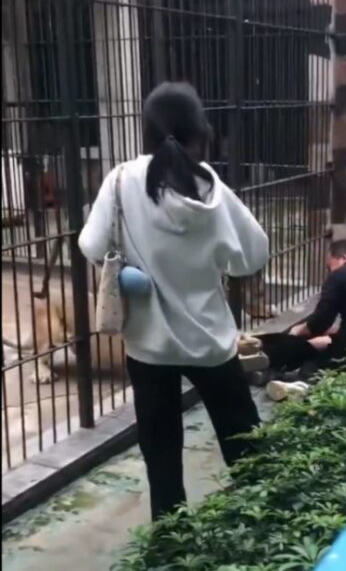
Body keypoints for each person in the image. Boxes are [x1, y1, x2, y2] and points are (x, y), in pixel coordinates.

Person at [78, 82, 269, 521]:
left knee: (161, 455)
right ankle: (264, 525)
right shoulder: (211, 188)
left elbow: (91, 245)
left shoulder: (122, 179)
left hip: (148, 345)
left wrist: (130, 265)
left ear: (146, 129)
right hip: (210, 341)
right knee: (245, 444)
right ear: (199, 129)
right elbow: (252, 256)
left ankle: (170, 541)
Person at [258, 239, 346, 400]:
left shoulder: (340, 275)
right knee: (324, 342)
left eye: (329, 266)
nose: (329, 272)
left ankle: (297, 381)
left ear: (343, 258)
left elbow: (320, 322)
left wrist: (297, 331)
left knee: (309, 354)